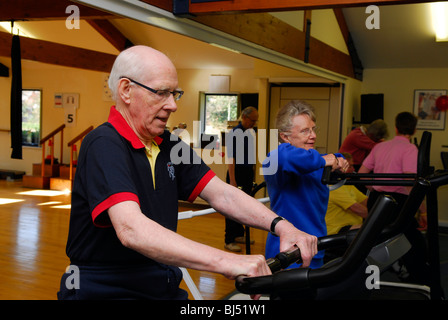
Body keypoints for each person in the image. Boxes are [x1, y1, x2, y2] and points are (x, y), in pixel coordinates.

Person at [57, 46, 317, 300]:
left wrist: (283, 227)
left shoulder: (167, 143)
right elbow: (131, 229)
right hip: (107, 288)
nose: (172, 105)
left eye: (174, 93)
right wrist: (227, 261)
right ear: (126, 90)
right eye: (161, 93)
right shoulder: (103, 143)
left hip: (161, 281)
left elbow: (222, 194)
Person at [262, 100, 349, 269]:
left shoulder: (314, 160)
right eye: (305, 131)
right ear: (284, 136)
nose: (313, 135)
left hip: (315, 245)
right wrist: (331, 159)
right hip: (287, 251)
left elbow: (321, 159)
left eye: (313, 129)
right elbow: (291, 159)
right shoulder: (276, 158)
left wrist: (339, 161)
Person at [358, 111, 429, 285]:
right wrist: (424, 212)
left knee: (375, 240)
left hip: (377, 201)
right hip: (397, 203)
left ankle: (371, 282)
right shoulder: (410, 148)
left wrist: (374, 187)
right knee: (415, 244)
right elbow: (409, 182)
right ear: (414, 130)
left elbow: (361, 174)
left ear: (396, 127)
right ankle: (421, 284)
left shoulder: (379, 147)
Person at [224, 106, 259, 252]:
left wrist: (252, 175)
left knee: (244, 206)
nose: (254, 123)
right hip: (236, 174)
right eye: (252, 120)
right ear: (244, 117)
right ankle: (229, 239)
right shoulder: (234, 133)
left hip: (246, 173)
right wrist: (232, 181)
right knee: (232, 207)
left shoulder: (250, 133)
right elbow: (230, 158)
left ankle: (239, 234)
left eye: (256, 121)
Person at [325, 152, 368, 236]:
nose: (353, 170)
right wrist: (379, 218)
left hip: (350, 226)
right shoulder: (333, 187)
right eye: (350, 166)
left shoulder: (347, 185)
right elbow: (358, 209)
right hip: (336, 230)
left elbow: (366, 202)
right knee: (371, 229)